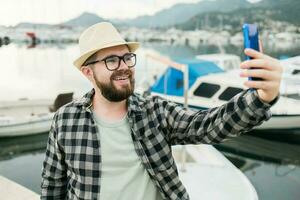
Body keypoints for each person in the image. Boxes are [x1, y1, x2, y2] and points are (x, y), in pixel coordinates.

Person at [41, 22, 282, 200]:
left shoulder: (153, 111)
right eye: (111, 61)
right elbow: (52, 186)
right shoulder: (65, 120)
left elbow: (208, 126)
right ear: (88, 72)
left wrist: (262, 97)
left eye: (126, 57)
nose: (124, 67)